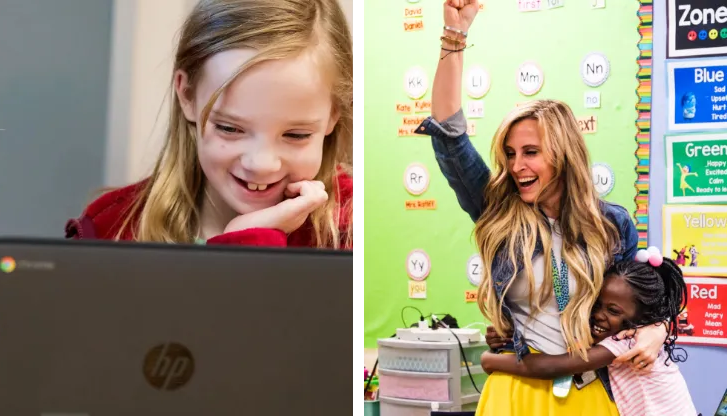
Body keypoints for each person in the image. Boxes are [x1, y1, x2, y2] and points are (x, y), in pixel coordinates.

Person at [416, 1, 669, 414]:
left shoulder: (613, 223)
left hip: (588, 391)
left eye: (531, 152)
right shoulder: (498, 210)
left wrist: (657, 329)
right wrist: (454, 35)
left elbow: (638, 304)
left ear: (563, 154)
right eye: (511, 153)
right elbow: (449, 135)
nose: (517, 166)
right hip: (515, 387)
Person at [66, 0, 353, 249]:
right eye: (230, 128)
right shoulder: (111, 229)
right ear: (187, 94)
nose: (262, 164)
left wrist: (250, 239)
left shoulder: (363, 231)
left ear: (334, 114)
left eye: (296, 134)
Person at [480, 249, 697, 416]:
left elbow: (554, 366)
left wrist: (490, 360)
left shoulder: (626, 343)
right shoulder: (621, 334)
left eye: (613, 310)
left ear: (641, 318)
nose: (599, 315)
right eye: (596, 305)